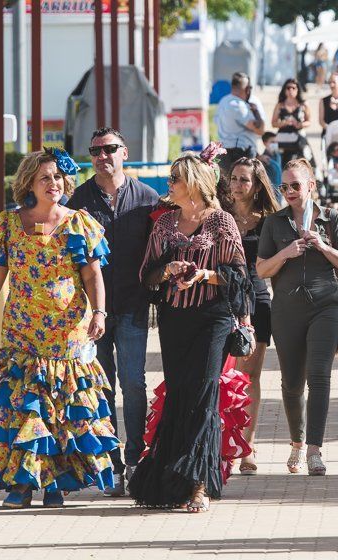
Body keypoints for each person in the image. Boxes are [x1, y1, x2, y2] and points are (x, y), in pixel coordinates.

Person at [0, 148, 116, 508]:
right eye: (44, 178)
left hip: (66, 333)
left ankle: (54, 484)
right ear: (29, 184)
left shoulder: (78, 222)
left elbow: (92, 273)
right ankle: (20, 485)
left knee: (61, 409)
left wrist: (100, 313)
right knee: (24, 406)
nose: (53, 183)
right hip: (21, 330)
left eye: (57, 177)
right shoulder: (8, 224)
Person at [128, 145, 251, 513]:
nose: (169, 182)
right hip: (174, 319)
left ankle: (199, 484)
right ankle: (172, 481)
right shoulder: (165, 223)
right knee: (180, 395)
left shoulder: (220, 221)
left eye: (175, 178)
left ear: (194, 183)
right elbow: (146, 275)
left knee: (202, 396)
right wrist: (166, 271)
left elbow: (240, 276)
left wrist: (205, 274)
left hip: (211, 318)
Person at [66, 127, 159, 497]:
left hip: (134, 307)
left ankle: (135, 458)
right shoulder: (78, 200)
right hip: (90, 313)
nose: (103, 156)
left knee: (134, 384)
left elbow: (160, 253)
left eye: (110, 149)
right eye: (95, 151)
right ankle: (112, 465)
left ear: (125, 152)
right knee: (100, 388)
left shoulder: (147, 199)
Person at [256, 158, 338, 476]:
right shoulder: (274, 223)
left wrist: (324, 246)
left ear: (311, 185)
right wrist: (286, 254)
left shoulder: (331, 218)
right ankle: (297, 443)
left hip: (326, 305)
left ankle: (315, 449)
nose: (289, 191)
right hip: (286, 309)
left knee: (319, 377)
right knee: (292, 383)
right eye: (284, 186)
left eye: (296, 185)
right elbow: (260, 270)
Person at [218, 157, 281, 475]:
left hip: (257, 303)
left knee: (249, 378)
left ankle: (247, 446)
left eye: (245, 180)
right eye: (235, 179)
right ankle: (224, 443)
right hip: (221, 302)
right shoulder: (219, 214)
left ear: (257, 186)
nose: (238, 185)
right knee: (224, 377)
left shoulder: (269, 219)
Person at [215, 72, 266, 172]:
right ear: (247, 89)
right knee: (246, 185)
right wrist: (256, 112)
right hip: (240, 152)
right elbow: (260, 130)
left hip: (224, 152)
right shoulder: (239, 105)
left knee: (227, 185)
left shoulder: (223, 101)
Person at [271, 78, 312, 163]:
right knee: (274, 158)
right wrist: (284, 123)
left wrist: (299, 125)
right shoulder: (280, 105)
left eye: (294, 88)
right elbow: (273, 123)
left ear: (298, 90)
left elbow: (309, 122)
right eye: (288, 88)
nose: (291, 90)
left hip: (298, 138)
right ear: (284, 90)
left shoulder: (303, 105)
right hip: (283, 139)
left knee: (306, 160)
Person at [258, 131, 283, 198]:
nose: (275, 144)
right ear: (265, 143)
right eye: (272, 142)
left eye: (276, 142)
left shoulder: (278, 155)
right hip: (270, 193)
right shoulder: (263, 160)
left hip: (280, 191)